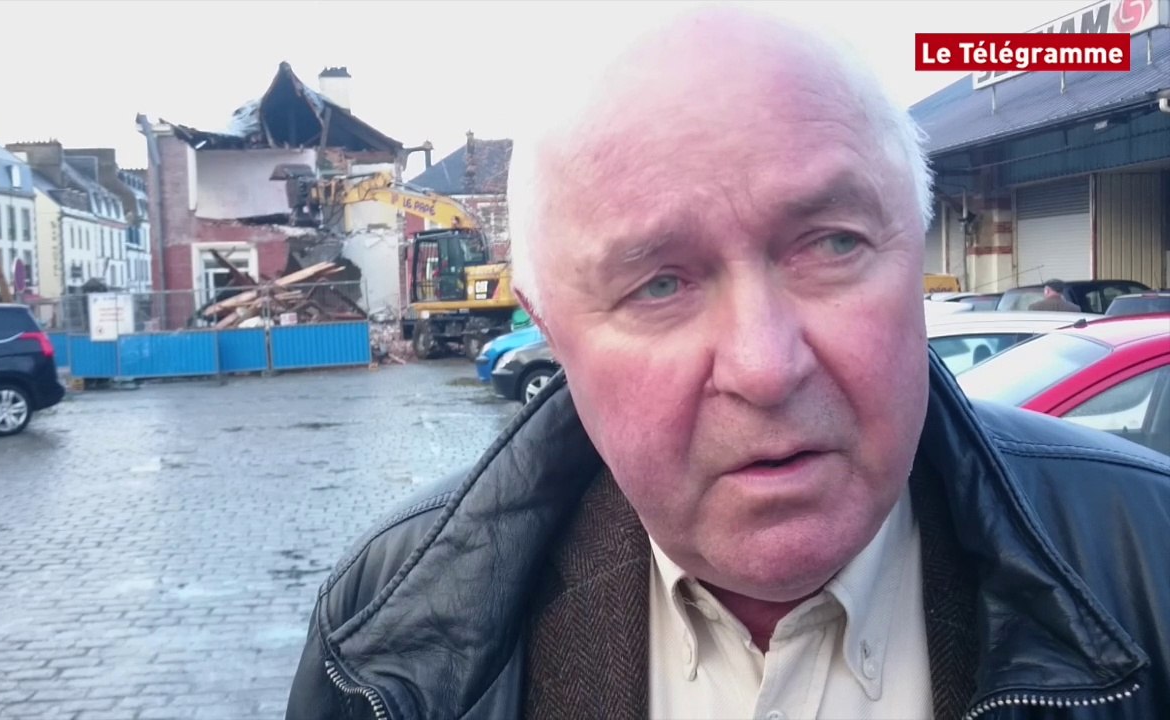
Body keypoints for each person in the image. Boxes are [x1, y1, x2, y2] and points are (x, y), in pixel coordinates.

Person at [286, 8, 1169, 720]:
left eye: (830, 244)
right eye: (660, 284)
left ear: (915, 253)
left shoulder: (1150, 562)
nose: (764, 365)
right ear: (550, 331)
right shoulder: (387, 624)